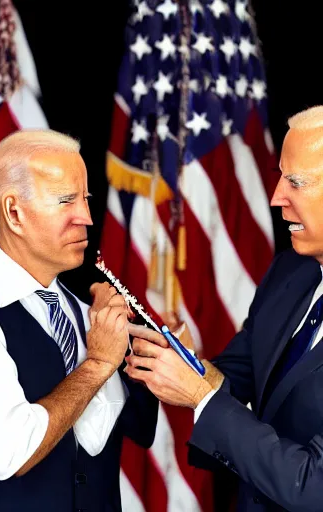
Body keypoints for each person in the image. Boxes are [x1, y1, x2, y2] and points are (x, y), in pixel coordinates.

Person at [0, 129, 158, 511]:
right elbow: (11, 454)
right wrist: (99, 363)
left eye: (85, 199)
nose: (86, 218)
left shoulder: (83, 309)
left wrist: (141, 349)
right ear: (13, 212)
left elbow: (136, 430)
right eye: (66, 200)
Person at [124, 104, 323, 511]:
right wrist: (179, 361)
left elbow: (312, 486)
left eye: (296, 182)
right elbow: (232, 378)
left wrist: (200, 393)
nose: (276, 198)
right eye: (279, 177)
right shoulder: (290, 272)